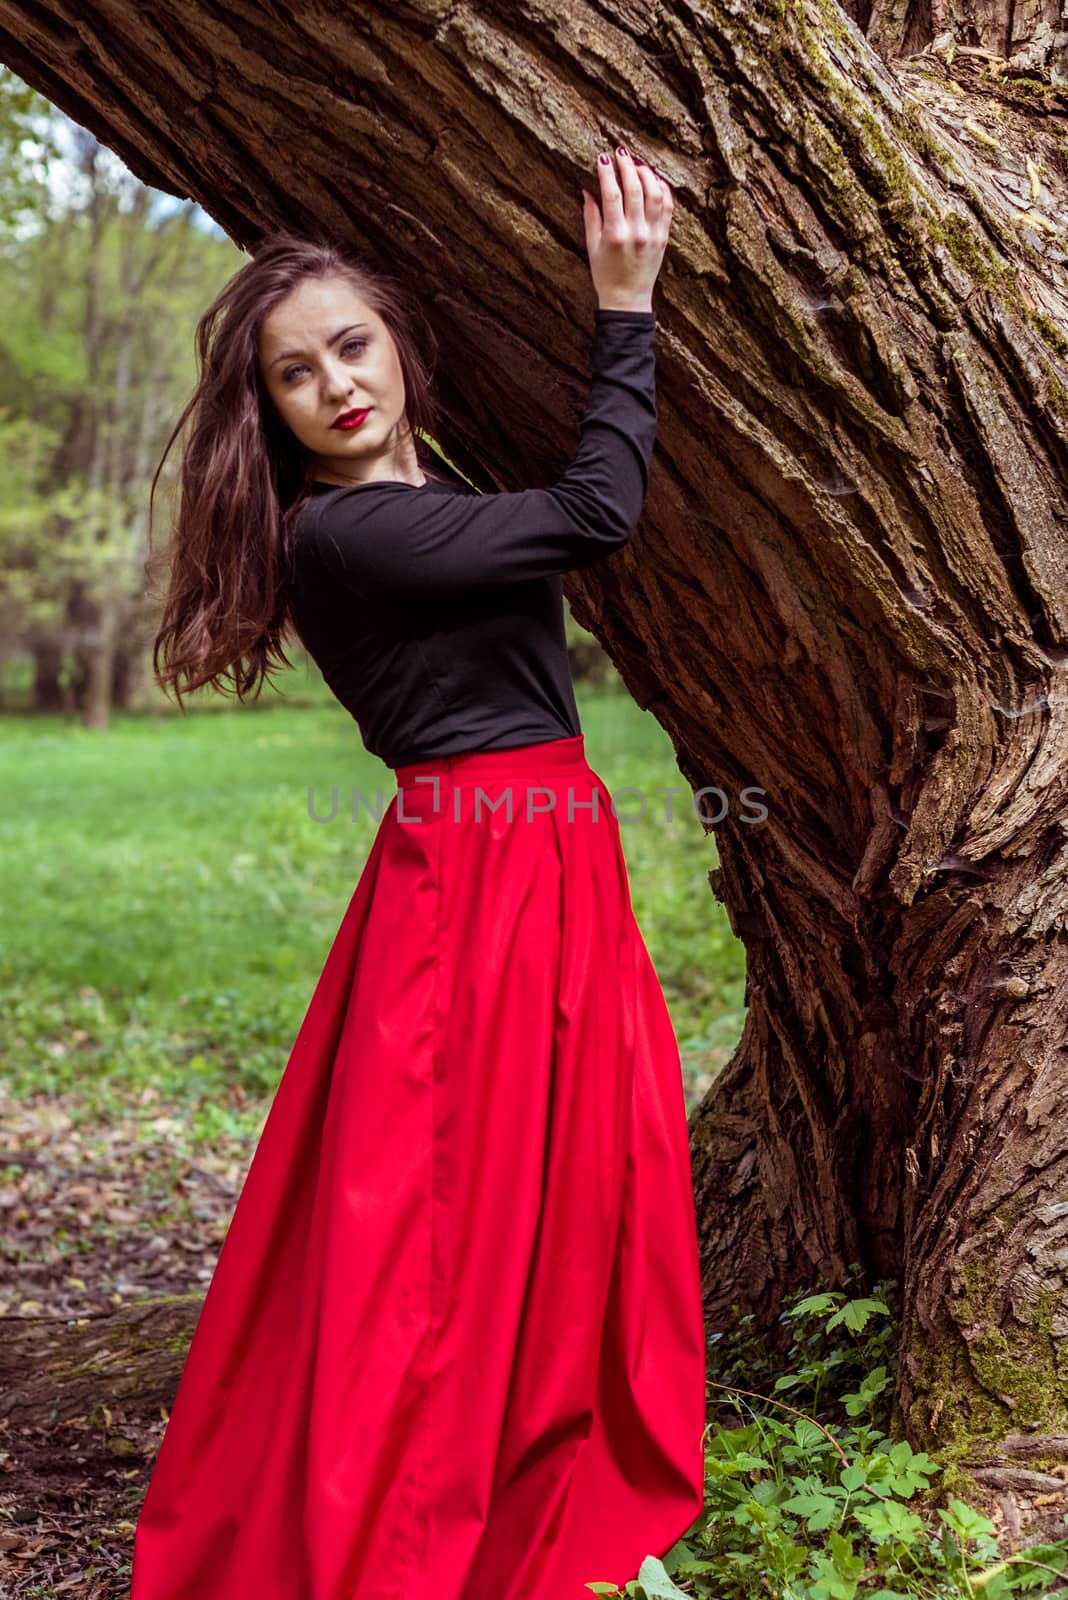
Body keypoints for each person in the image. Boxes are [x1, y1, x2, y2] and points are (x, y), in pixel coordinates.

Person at [131, 144, 706, 1600]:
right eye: (294, 374)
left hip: (543, 853)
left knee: (570, 1174)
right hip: (477, 879)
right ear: (267, 411)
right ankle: (405, 1521)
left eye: (351, 343)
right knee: (442, 1216)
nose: (335, 383)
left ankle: (531, 1444)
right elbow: (595, 516)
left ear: (396, 342)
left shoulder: (422, 485)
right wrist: (624, 307)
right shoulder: (356, 530)